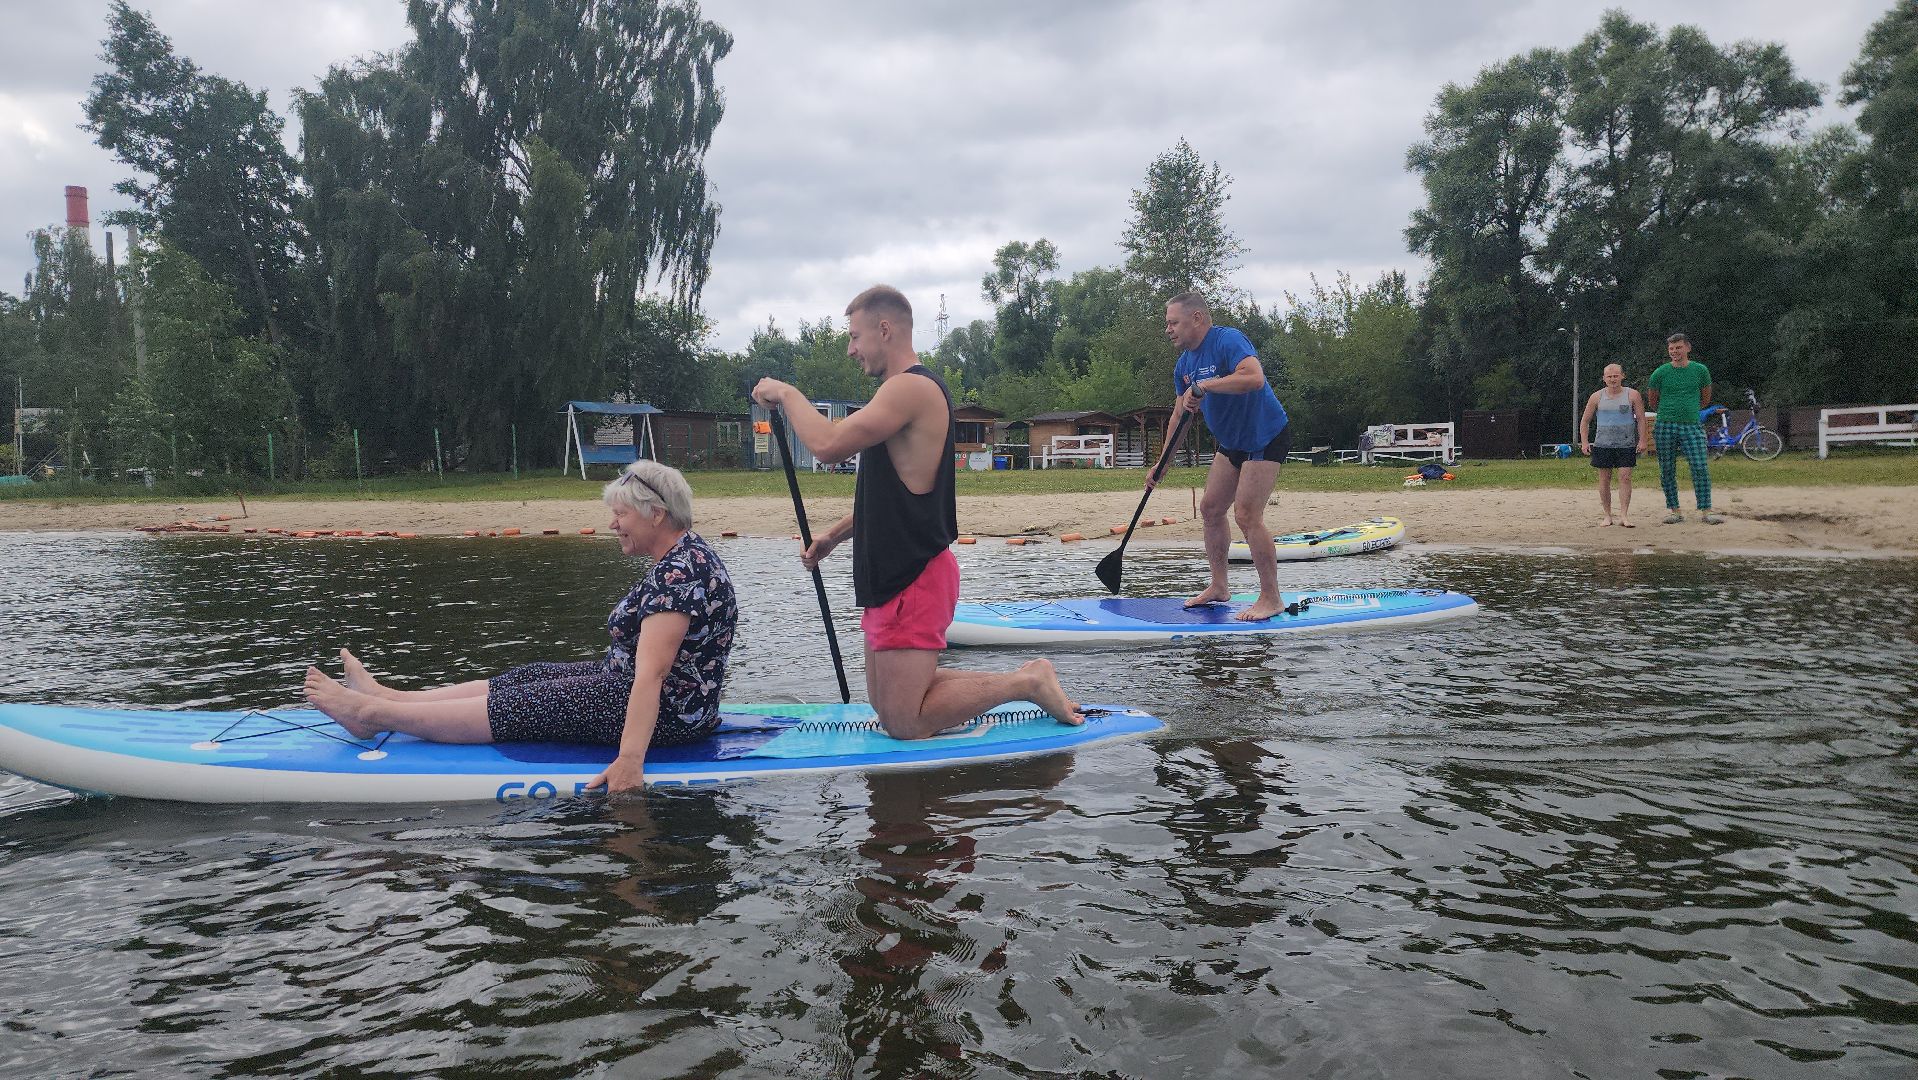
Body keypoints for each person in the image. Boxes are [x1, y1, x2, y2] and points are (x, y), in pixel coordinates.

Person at [750, 284, 1083, 740]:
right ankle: (1027, 678)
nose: (850, 349)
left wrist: (788, 394)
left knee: (904, 722)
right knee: (885, 703)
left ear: (884, 329)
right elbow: (894, 500)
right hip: (893, 573)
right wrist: (833, 536)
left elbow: (826, 446)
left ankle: (1024, 683)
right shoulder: (897, 392)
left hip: (914, 574)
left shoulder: (910, 388)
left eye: (854, 336)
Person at [302, 459, 737, 794]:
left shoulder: (681, 574)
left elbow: (653, 674)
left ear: (656, 514)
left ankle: (370, 715)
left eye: (621, 514)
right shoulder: (686, 558)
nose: (612, 524)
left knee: (528, 704)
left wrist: (630, 759)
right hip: (653, 695)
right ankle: (388, 697)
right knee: (528, 677)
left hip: (670, 716)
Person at [1147, 291, 1293, 621]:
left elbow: (1255, 378)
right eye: (1166, 324)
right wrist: (1163, 463)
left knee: (1246, 514)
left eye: (1173, 322)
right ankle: (1219, 587)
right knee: (1211, 508)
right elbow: (1178, 417)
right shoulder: (1183, 365)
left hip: (1265, 436)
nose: (1168, 329)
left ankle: (1271, 598)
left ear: (1196, 318)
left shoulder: (1228, 341)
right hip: (1231, 443)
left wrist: (1206, 386)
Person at [1644, 332, 1723, 525]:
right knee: (1667, 468)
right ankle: (1675, 510)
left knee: (1699, 466)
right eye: (1671, 348)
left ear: (1687, 348)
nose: (1674, 352)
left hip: (1691, 424)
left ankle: (1706, 510)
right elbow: (1653, 400)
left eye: (1678, 347)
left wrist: (1691, 409)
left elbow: (1705, 397)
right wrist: (1667, 411)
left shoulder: (1700, 370)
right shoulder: (1660, 373)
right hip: (1665, 424)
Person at [1579, 362, 1650, 527]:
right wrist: (1584, 441)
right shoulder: (1596, 397)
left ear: (1622, 376)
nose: (1613, 379)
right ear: (1604, 378)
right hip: (1603, 444)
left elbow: (1640, 419)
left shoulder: (1632, 395)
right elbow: (1585, 421)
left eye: (1616, 376)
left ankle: (1624, 515)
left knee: (1625, 477)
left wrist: (1643, 439)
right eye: (1609, 376)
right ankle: (1607, 515)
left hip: (1626, 443)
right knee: (1604, 479)